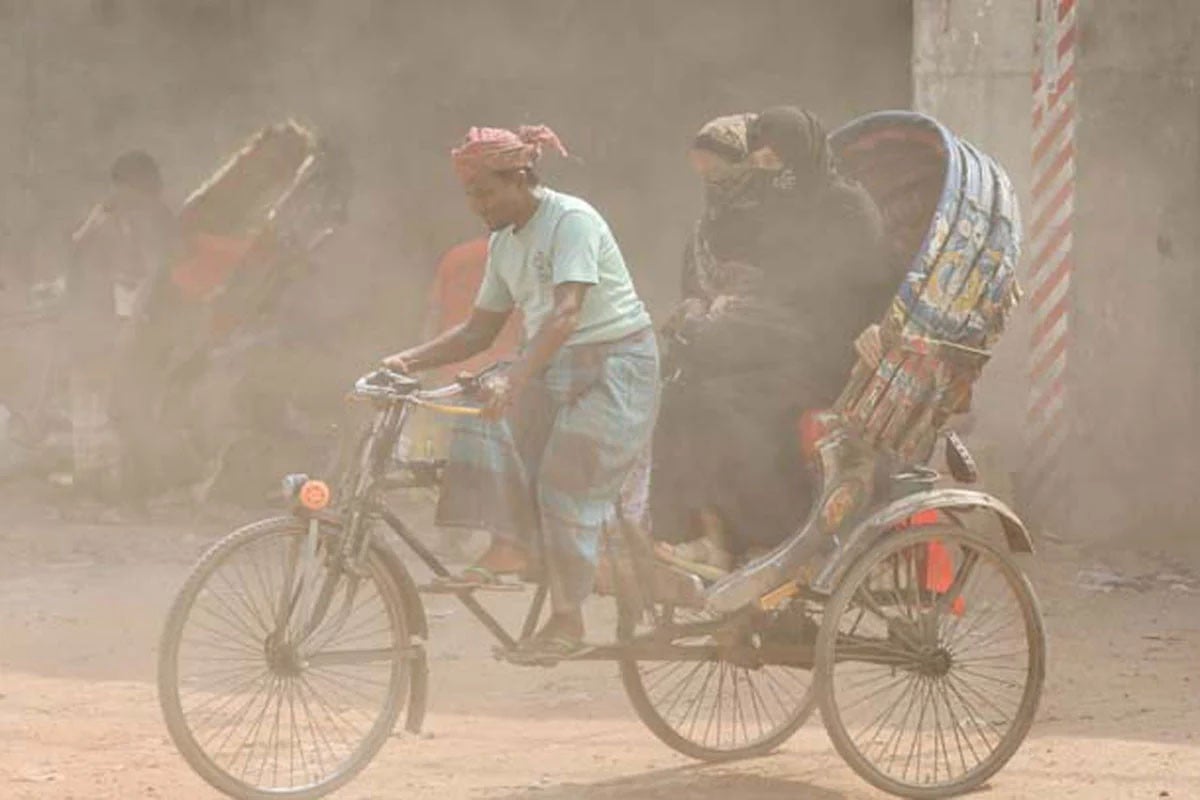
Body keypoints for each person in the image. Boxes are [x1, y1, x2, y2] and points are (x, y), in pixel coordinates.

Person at [383, 125, 658, 662]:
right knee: (475, 414)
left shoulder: (570, 220)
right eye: (470, 196)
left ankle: (567, 623)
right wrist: (403, 361)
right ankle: (510, 544)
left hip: (617, 364)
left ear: (522, 177)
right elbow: (477, 331)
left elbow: (566, 313)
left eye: (485, 193)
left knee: (561, 481)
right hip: (555, 361)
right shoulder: (503, 242)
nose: (477, 206)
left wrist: (512, 378)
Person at [652, 106, 891, 570]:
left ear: (801, 155)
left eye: (777, 165)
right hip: (786, 340)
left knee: (727, 401)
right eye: (760, 166)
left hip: (834, 351)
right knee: (685, 387)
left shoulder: (846, 205)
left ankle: (769, 534)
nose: (770, 177)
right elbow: (772, 281)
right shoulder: (779, 209)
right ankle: (703, 534)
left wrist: (875, 327)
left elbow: (871, 281)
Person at [62, 150, 177, 508]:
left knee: (99, 409)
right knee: (101, 410)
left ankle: (101, 489)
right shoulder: (111, 224)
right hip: (99, 326)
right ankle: (99, 492)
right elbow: (125, 280)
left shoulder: (111, 219)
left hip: (99, 325)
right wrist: (126, 326)